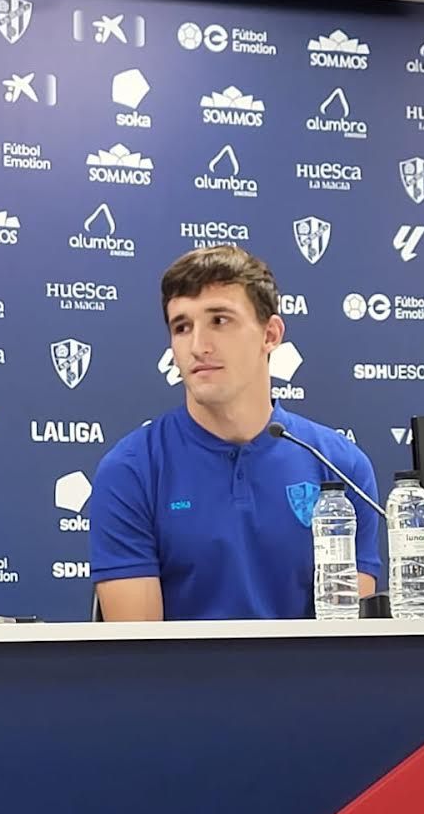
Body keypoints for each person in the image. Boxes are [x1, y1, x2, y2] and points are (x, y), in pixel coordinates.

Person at [88, 245, 381, 621]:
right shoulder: (131, 471)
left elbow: (350, 647)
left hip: (310, 680)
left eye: (220, 321)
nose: (197, 346)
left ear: (270, 334)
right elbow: (141, 658)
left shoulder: (340, 467)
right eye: (182, 327)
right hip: (182, 681)